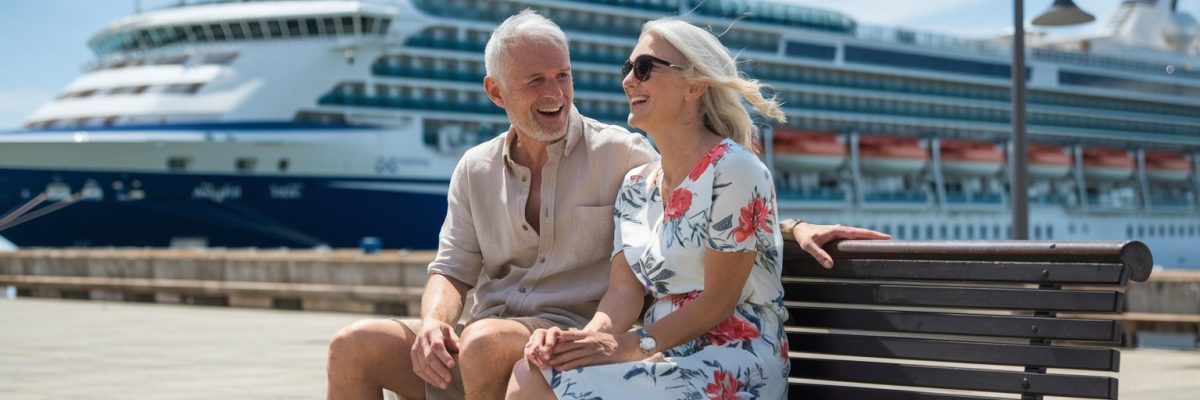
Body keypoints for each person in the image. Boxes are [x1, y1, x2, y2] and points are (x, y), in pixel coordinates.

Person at [327, 11, 889, 400]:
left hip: (641, 347)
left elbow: (726, 226)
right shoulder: (628, 180)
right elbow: (454, 270)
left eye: (563, 76)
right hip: (573, 341)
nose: (555, 94)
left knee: (498, 349)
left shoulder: (626, 153)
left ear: (694, 85)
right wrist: (432, 325)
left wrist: (789, 226)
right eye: (534, 82)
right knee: (353, 345)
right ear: (496, 92)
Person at [505, 17, 829, 399]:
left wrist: (627, 347)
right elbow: (622, 295)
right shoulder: (636, 185)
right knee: (532, 370)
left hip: (733, 360)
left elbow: (718, 301)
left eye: (644, 69)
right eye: (628, 69)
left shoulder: (734, 169)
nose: (628, 81)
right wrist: (581, 341)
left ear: (694, 85)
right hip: (661, 354)